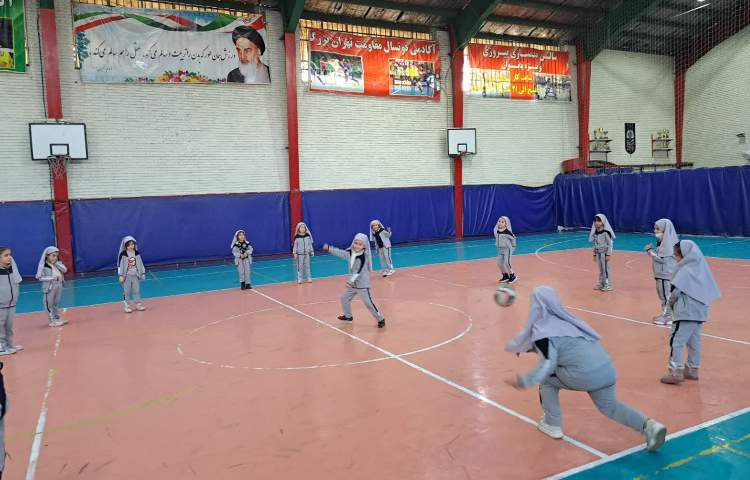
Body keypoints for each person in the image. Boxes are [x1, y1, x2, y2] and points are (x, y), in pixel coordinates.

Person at [505, 286, 667, 452]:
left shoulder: (543, 331)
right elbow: (563, 346)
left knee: (546, 380)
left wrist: (525, 381)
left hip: (584, 375)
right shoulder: (569, 321)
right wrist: (529, 347)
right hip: (606, 369)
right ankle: (649, 426)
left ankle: (552, 424)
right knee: (610, 406)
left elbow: (548, 363)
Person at [660, 240, 721, 384]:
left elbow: (674, 293)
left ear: (684, 255)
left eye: (676, 255)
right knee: (694, 341)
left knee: (677, 340)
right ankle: (693, 369)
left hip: (685, 312)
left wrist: (669, 306)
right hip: (700, 312)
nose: (675, 257)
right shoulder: (701, 270)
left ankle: (676, 371)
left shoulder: (684, 271)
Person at [323, 234, 386, 328]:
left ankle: (380, 319)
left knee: (368, 303)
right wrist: (329, 249)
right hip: (353, 285)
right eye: (355, 243)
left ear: (364, 246)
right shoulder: (350, 252)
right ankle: (348, 316)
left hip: (362, 286)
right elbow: (341, 253)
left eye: (360, 244)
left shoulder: (362, 257)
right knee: (344, 298)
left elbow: (357, 272)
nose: (357, 246)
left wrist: (350, 282)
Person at [645, 219, 679, 325]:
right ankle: (667, 314)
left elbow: (662, 258)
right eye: (655, 228)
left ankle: (669, 316)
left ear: (665, 230)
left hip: (665, 275)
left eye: (658, 229)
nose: (655, 231)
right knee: (663, 294)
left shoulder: (669, 244)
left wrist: (650, 251)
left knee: (666, 295)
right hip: (661, 274)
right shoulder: (663, 242)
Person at [36, 246, 69, 327]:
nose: (55, 258)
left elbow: (65, 270)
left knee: (56, 303)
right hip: (49, 287)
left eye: (56, 256)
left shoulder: (57, 263)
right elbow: (39, 277)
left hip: (59, 285)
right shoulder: (43, 266)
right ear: (47, 256)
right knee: (49, 304)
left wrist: (56, 263)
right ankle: (52, 321)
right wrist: (52, 278)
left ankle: (57, 318)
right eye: (53, 256)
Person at [0, 247, 22, 355]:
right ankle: (2, 347)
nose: (9, 257)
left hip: (11, 303)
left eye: (10, 254)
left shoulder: (12, 269)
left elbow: (17, 282)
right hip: (1, 305)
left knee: (9, 326)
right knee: (1, 326)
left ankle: (9, 344)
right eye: (6, 255)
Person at [117, 236, 146, 313]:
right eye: (129, 245)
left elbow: (140, 263)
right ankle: (127, 306)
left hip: (135, 275)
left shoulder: (137, 253)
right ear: (125, 246)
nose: (131, 246)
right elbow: (120, 265)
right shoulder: (123, 254)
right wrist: (121, 275)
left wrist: (142, 273)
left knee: (136, 290)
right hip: (127, 276)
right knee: (126, 291)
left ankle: (138, 304)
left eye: (132, 244)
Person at [590, 214, 615, 291]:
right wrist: (594, 254)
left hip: (605, 254)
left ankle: (608, 285)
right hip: (598, 254)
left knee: (606, 269)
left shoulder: (606, 233)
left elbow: (610, 244)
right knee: (601, 270)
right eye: (595, 221)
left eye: (599, 221)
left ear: (603, 222)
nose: (596, 223)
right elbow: (594, 244)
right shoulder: (595, 233)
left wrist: (608, 254)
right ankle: (601, 283)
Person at [494, 216, 517, 284]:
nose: (500, 223)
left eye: (502, 222)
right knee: (499, 263)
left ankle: (512, 276)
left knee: (507, 263)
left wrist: (513, 246)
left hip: (507, 249)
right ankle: (505, 275)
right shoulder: (497, 230)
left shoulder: (507, 232)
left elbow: (513, 238)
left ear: (506, 224)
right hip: (500, 250)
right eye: (499, 221)